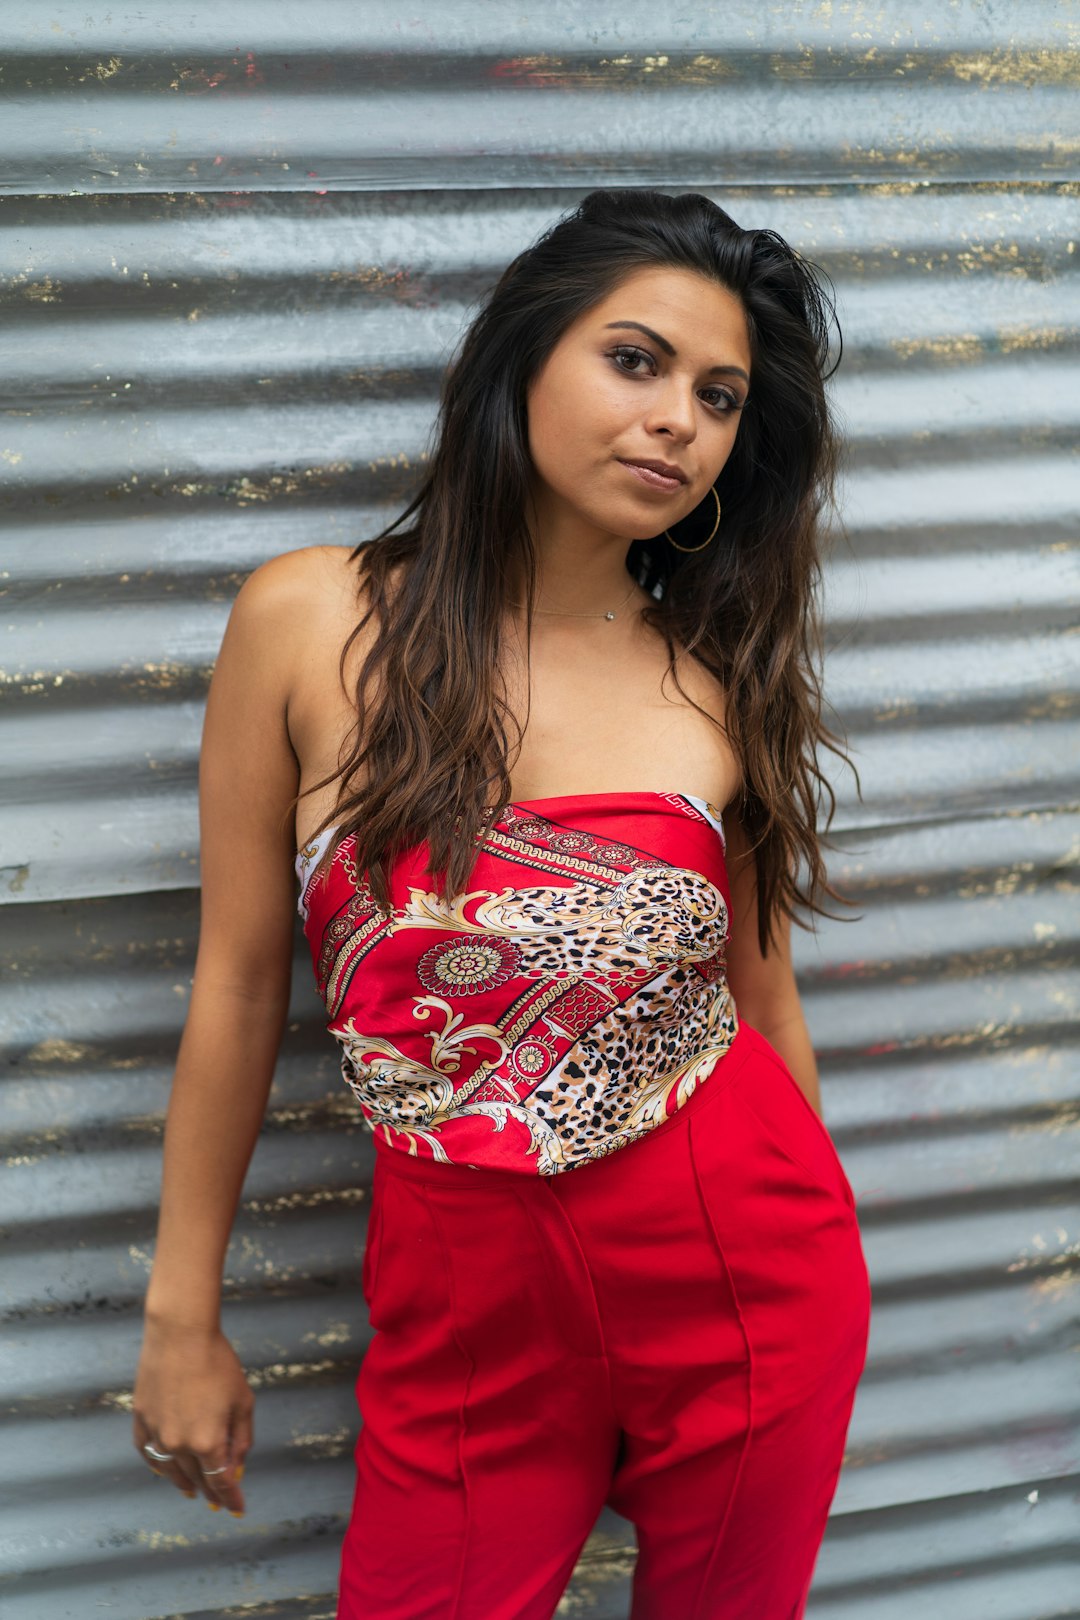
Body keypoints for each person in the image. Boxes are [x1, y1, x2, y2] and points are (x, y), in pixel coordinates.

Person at [132, 187, 872, 1619]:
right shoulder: (307, 617)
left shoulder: (714, 680)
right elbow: (234, 984)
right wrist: (181, 1312)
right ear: (521, 359)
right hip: (460, 1307)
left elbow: (763, 1002)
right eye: (637, 360)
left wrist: (812, 1234)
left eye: (719, 397)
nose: (678, 420)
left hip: (745, 1280)